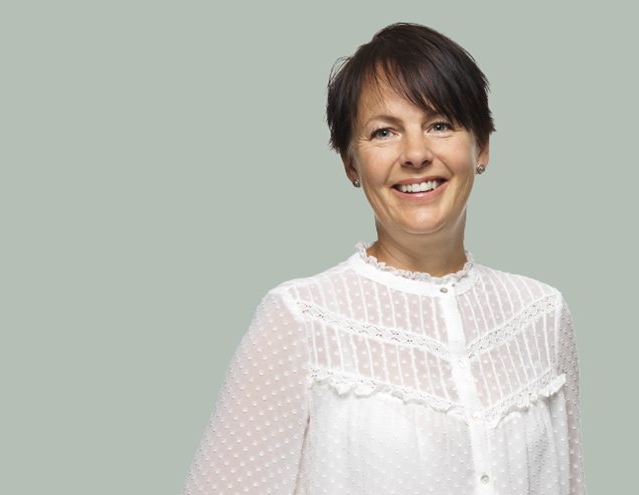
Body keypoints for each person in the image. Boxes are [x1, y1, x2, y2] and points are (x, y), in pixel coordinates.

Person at [184, 22, 588, 495]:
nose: (415, 153)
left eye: (440, 125)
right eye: (383, 132)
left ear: (482, 146)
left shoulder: (541, 315)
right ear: (351, 164)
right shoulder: (301, 320)